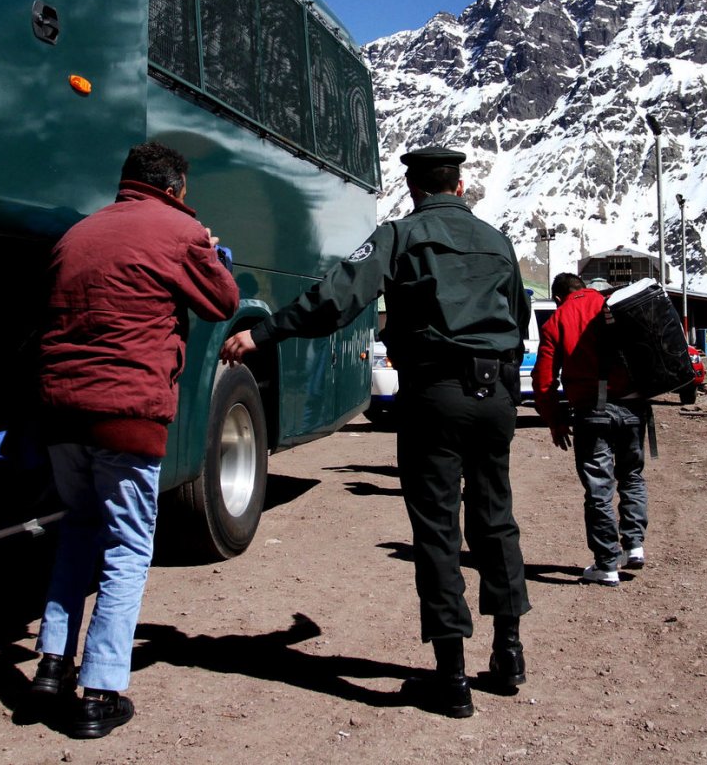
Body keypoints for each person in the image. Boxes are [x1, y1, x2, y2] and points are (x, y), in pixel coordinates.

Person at [221, 146, 531, 718]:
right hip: (495, 398)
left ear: (416, 191)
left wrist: (266, 333)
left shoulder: (400, 236)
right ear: (460, 188)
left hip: (434, 396)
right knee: (495, 519)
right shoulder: (498, 241)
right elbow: (519, 317)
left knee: (437, 530)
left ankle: (453, 679)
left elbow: (335, 299)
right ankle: (509, 653)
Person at [30, 141, 239, 739]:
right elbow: (222, 301)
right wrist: (214, 251)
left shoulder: (79, 233)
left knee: (77, 531)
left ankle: (50, 665)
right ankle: (98, 693)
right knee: (126, 550)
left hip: (61, 412)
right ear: (174, 189)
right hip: (126, 414)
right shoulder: (179, 229)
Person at [531, 273, 649, 587]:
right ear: (584, 288)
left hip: (592, 412)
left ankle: (607, 564)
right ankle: (634, 544)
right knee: (632, 475)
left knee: (599, 488)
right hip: (634, 406)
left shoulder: (557, 320)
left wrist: (555, 419)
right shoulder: (612, 305)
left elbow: (544, 379)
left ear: (558, 297)